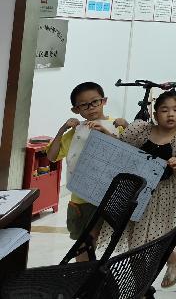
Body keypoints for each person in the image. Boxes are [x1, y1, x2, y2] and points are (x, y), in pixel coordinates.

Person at [46, 82, 124, 261]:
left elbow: (127, 154)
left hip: (110, 195)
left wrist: (111, 131)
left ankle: (95, 273)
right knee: (83, 243)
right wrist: (63, 129)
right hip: (81, 198)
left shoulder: (116, 125)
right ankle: (83, 274)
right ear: (76, 109)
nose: (91, 107)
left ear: (104, 101)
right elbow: (51, 156)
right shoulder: (76, 131)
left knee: (108, 241)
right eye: (84, 105)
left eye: (95, 102)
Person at [107, 91, 176, 252]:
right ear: (155, 114)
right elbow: (123, 148)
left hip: (162, 193)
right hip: (137, 190)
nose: (170, 114)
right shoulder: (142, 130)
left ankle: (170, 257)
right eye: (164, 110)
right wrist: (107, 133)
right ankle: (136, 264)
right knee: (134, 230)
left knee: (156, 233)